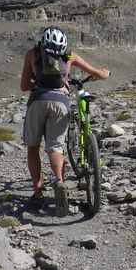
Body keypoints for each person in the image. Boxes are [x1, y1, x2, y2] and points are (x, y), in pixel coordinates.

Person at [19, 26, 110, 216]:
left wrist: (37, 82)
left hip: (37, 102)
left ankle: (38, 194)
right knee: (55, 147)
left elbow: (24, 86)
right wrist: (105, 73)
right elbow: (96, 73)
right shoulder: (69, 56)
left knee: (33, 147)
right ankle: (59, 181)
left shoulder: (31, 54)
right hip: (61, 103)